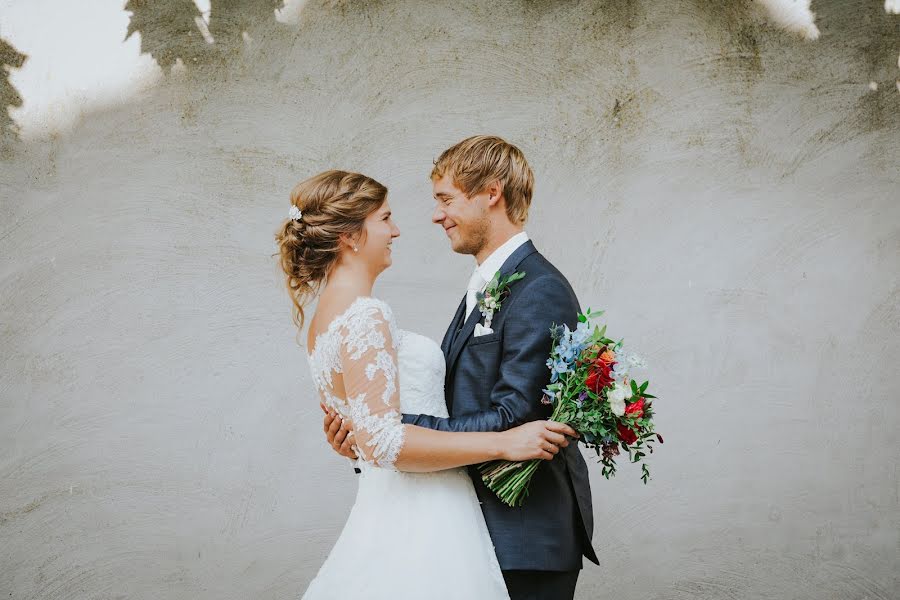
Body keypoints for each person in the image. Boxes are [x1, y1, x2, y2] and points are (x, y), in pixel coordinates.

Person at [275, 168, 578, 599]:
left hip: (407, 510)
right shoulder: (366, 314)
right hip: (426, 514)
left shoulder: (323, 321)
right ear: (350, 236)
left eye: (445, 200)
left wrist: (362, 437)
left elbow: (376, 432)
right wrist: (504, 442)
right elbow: (384, 436)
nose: (397, 230)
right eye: (385, 219)